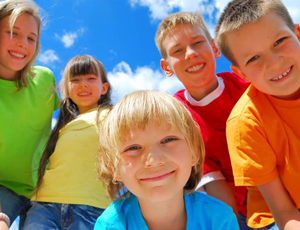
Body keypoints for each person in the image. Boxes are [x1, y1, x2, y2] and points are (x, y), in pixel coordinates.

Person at [155, 11, 250, 228]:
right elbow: (215, 184)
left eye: (198, 43)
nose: (190, 54)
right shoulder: (178, 117)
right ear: (166, 66)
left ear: (215, 48)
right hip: (240, 213)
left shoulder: (247, 86)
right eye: (177, 50)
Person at [94, 90, 239, 230]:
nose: (154, 160)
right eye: (133, 148)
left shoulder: (220, 218)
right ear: (113, 167)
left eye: (168, 140)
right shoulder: (109, 226)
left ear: (194, 151)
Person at [215, 0, 300, 229]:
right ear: (241, 73)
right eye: (253, 58)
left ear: (298, 33)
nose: (273, 63)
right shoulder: (245, 123)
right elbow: (283, 211)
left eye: (279, 41)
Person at [22, 55, 112, 230]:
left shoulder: (113, 116)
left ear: (104, 88)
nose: (83, 84)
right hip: (44, 204)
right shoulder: (61, 128)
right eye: (75, 80)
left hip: (92, 206)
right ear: (67, 89)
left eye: (91, 79)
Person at [0, 0, 59, 227]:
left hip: (45, 190)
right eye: (13, 33)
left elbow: (70, 118)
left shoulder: (44, 78)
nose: (23, 44)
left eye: (31, 38)